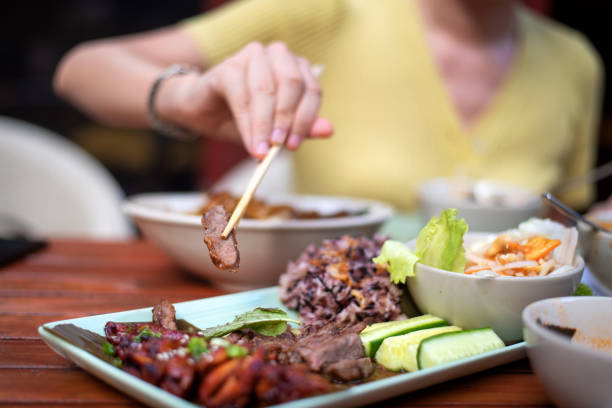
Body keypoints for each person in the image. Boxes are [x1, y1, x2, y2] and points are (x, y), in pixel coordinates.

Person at [54, 0, 603, 211]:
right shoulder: (330, 13)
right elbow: (82, 68)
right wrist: (183, 96)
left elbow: (569, 222)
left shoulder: (576, 62)